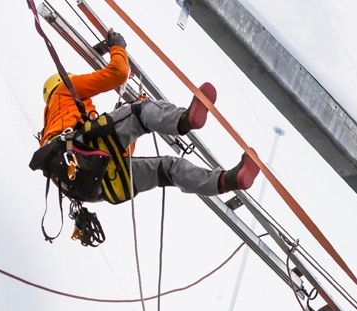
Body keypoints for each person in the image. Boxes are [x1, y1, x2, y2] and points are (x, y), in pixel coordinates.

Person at [35, 29, 259, 205]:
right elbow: (118, 73)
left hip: (96, 187)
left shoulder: (56, 126)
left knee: (169, 170)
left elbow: (122, 152)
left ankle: (228, 180)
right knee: (141, 113)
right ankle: (184, 120)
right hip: (83, 156)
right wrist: (118, 47)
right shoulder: (66, 89)